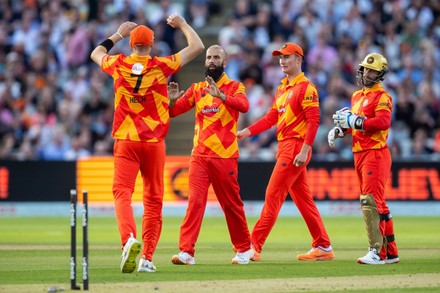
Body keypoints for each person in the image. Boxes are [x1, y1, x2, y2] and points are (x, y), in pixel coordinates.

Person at [90, 14, 204, 273]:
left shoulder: (117, 64)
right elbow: (198, 47)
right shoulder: (161, 65)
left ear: (131, 45)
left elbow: (95, 53)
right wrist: (183, 25)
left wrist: (117, 34)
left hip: (126, 141)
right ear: (152, 45)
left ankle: (128, 239)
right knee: (153, 200)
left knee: (122, 194)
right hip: (153, 143)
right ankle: (147, 259)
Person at [237, 42, 335, 261]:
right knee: (303, 200)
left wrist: (305, 149)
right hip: (286, 146)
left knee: (273, 195)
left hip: (295, 147)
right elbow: (272, 117)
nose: (281, 61)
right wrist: (247, 132)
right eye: (280, 57)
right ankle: (323, 246)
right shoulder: (282, 87)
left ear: (298, 60)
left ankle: (253, 246)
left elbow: (314, 121)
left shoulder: (306, 88)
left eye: (286, 57)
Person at [167, 45, 254, 265]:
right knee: (195, 202)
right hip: (199, 156)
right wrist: (171, 101)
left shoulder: (235, 86)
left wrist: (222, 96)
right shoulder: (197, 89)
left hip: (225, 156)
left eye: (216, 57)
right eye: (208, 57)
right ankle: (186, 252)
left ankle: (244, 249)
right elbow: (173, 113)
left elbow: (244, 106)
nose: (211, 60)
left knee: (231, 204)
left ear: (225, 62)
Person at [330, 52, 399, 265]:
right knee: (379, 204)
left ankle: (376, 251)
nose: (367, 73)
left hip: (375, 153)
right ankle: (391, 252)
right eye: (365, 69)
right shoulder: (357, 96)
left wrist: (355, 121)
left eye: (372, 71)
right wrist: (341, 131)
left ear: (381, 74)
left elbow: (382, 122)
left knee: (370, 202)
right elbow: (356, 125)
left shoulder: (383, 96)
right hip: (359, 152)